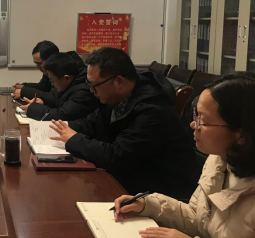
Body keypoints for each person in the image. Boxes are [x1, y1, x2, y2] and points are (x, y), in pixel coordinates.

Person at [113, 72, 255, 238]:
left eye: (203, 121)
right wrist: (149, 204)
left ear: (241, 134)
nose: (193, 125)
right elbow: (198, 218)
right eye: (196, 117)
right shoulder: (220, 160)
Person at [49, 47, 198, 198]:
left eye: (93, 85)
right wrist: (57, 128)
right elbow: (91, 123)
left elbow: (116, 156)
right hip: (129, 181)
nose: (91, 91)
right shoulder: (114, 97)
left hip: (159, 193)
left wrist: (74, 139)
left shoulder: (152, 110)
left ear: (119, 81)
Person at [20, 53, 98, 121]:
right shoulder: (66, 82)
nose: (51, 84)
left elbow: (62, 115)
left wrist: (33, 109)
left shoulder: (84, 91)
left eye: (52, 80)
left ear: (66, 78)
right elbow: (54, 97)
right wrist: (42, 101)